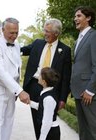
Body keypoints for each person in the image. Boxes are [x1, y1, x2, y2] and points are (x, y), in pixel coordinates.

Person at [21, 18, 72, 139]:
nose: (45, 33)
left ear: (56, 33)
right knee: (37, 121)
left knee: (48, 120)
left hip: (53, 91)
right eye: (45, 30)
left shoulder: (65, 50)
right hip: (35, 85)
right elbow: (21, 50)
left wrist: (63, 98)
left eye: (48, 31)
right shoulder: (37, 43)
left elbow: (66, 77)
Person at [0, 17, 30, 140]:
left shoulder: (17, 45)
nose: (14, 36)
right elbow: (0, 72)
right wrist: (19, 91)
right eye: (11, 32)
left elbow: (16, 68)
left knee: (8, 123)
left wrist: (15, 90)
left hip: (11, 90)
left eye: (16, 32)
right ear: (3, 30)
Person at [71, 6, 96, 140]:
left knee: (93, 130)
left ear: (88, 18)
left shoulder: (93, 36)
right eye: (75, 16)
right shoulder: (77, 40)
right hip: (78, 91)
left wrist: (90, 90)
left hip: (89, 93)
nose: (75, 19)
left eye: (79, 16)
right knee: (83, 131)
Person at [30, 67, 60, 140]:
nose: (38, 76)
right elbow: (41, 107)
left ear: (44, 82)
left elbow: (47, 121)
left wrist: (42, 137)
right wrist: (29, 102)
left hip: (50, 132)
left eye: (40, 75)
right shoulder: (46, 92)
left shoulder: (48, 98)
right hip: (49, 131)